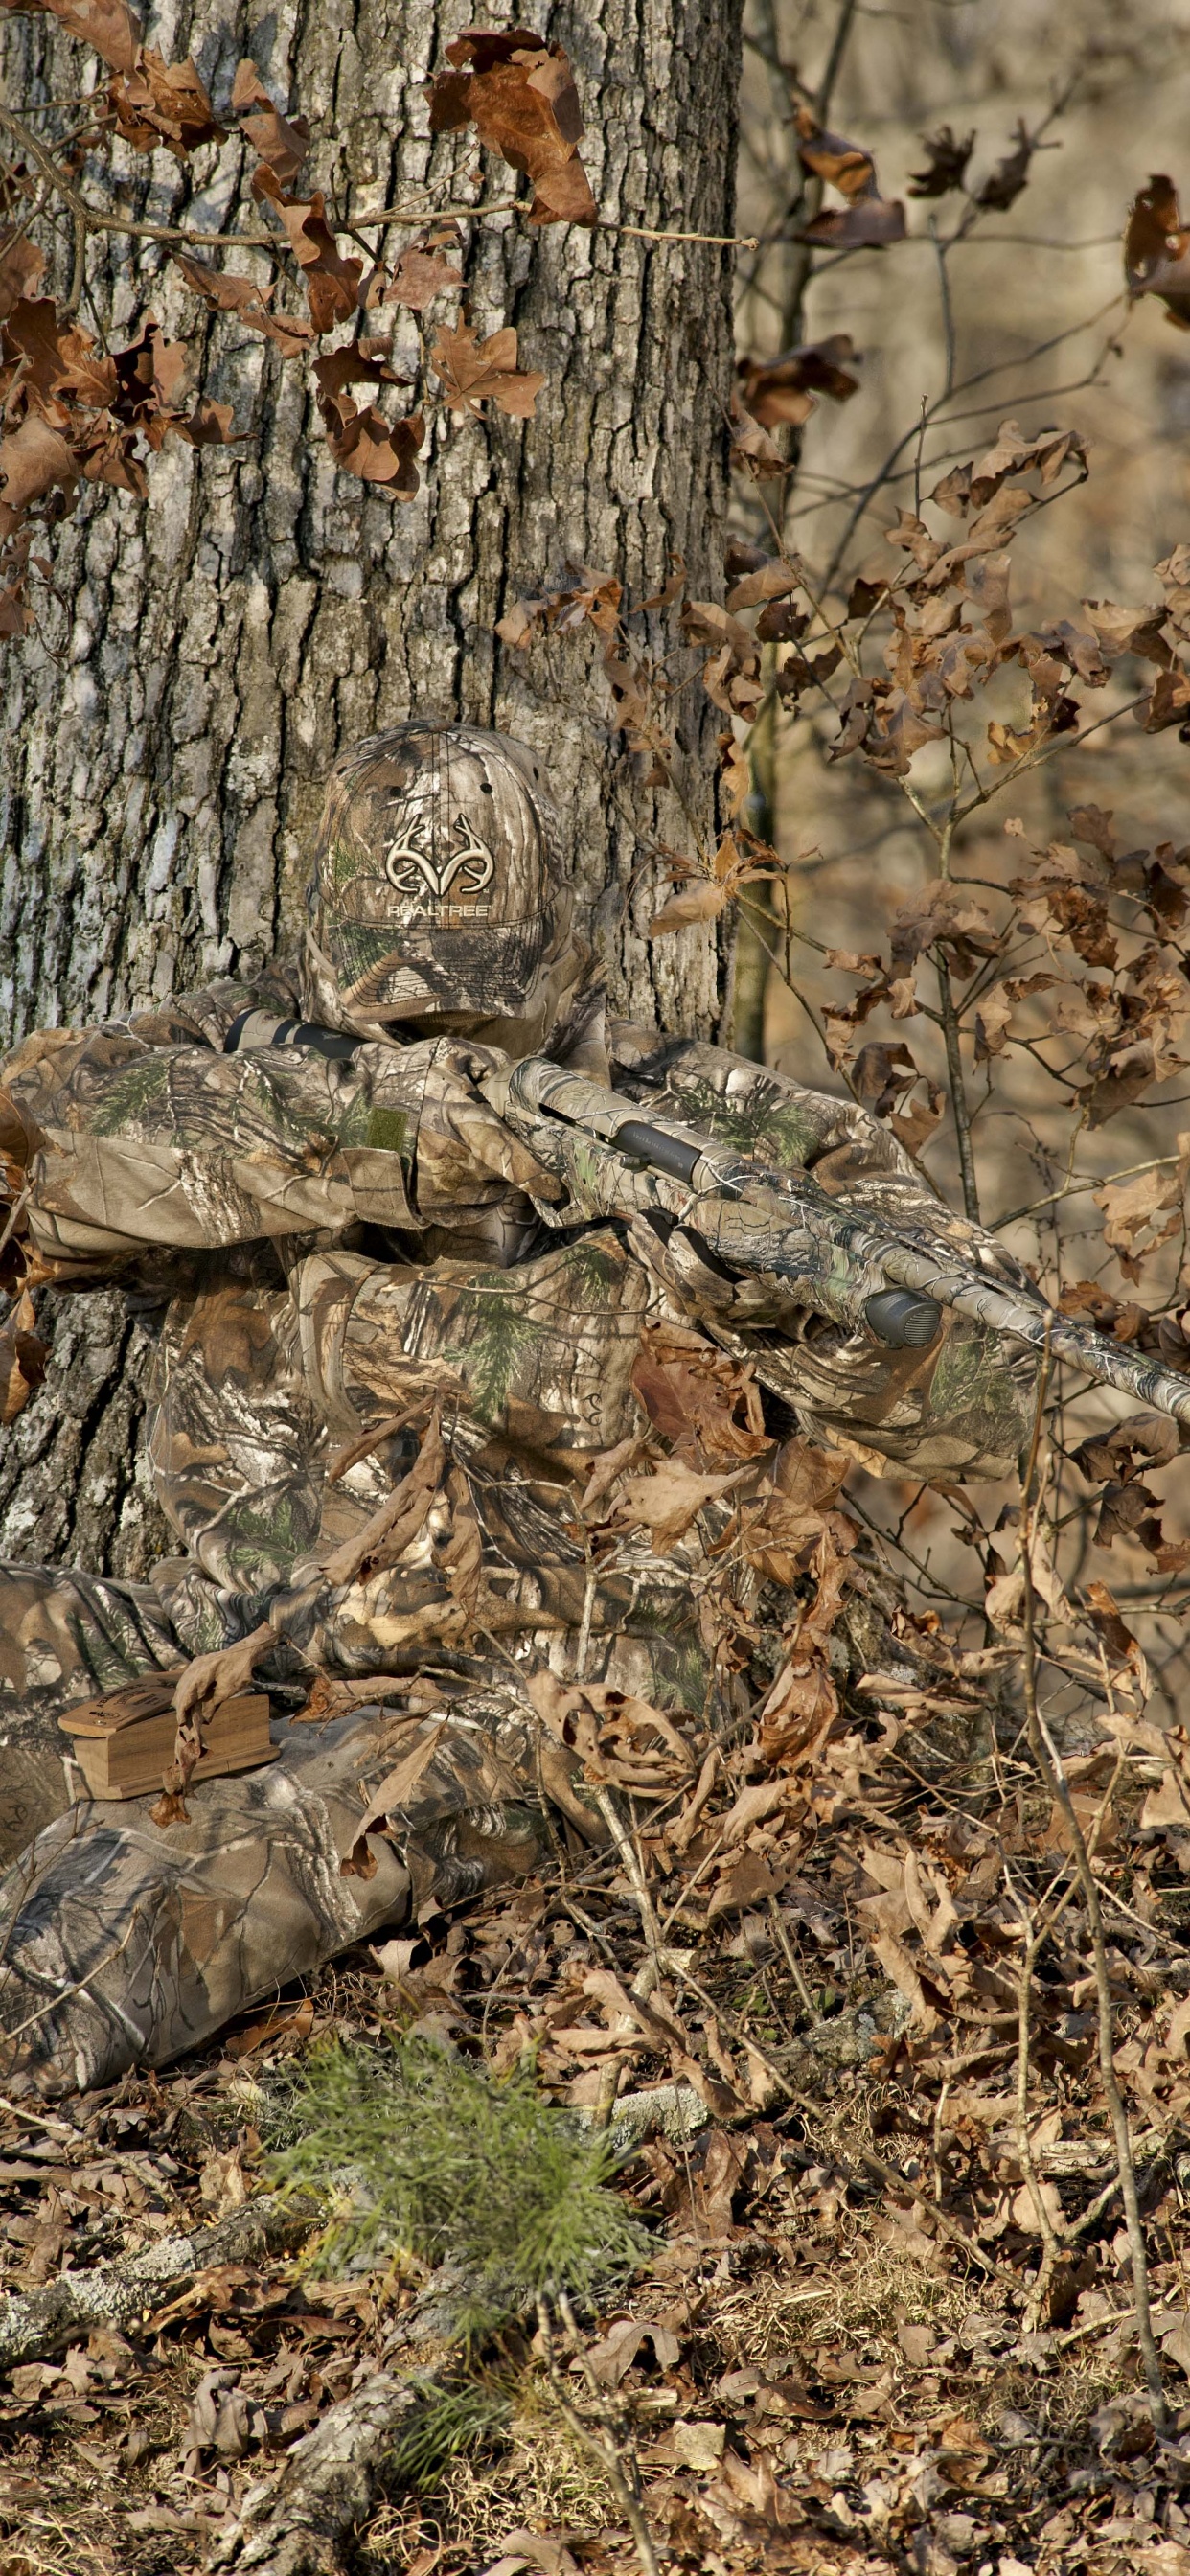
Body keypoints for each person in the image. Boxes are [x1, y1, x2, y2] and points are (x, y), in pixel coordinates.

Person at [0, 723, 1036, 2088]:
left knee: (114, 1920)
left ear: (559, 945)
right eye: (392, 997)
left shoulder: (722, 1132)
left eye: (475, 995)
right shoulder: (230, 1057)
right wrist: (397, 1134)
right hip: (224, 1643)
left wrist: (769, 1300)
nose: (433, 1024)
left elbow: (980, 1396)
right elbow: (40, 1151)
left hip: (535, 1715)